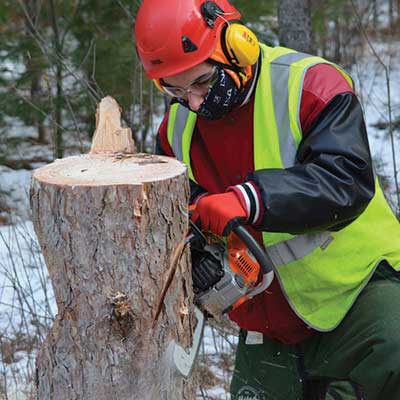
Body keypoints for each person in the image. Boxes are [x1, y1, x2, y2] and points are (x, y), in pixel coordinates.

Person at [135, 1, 400, 399]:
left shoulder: (310, 85)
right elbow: (174, 219)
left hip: (357, 296)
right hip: (267, 322)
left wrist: (249, 200)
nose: (193, 102)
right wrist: (199, 258)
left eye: (204, 83)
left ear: (237, 46)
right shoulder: (175, 131)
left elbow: (347, 179)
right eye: (175, 89)